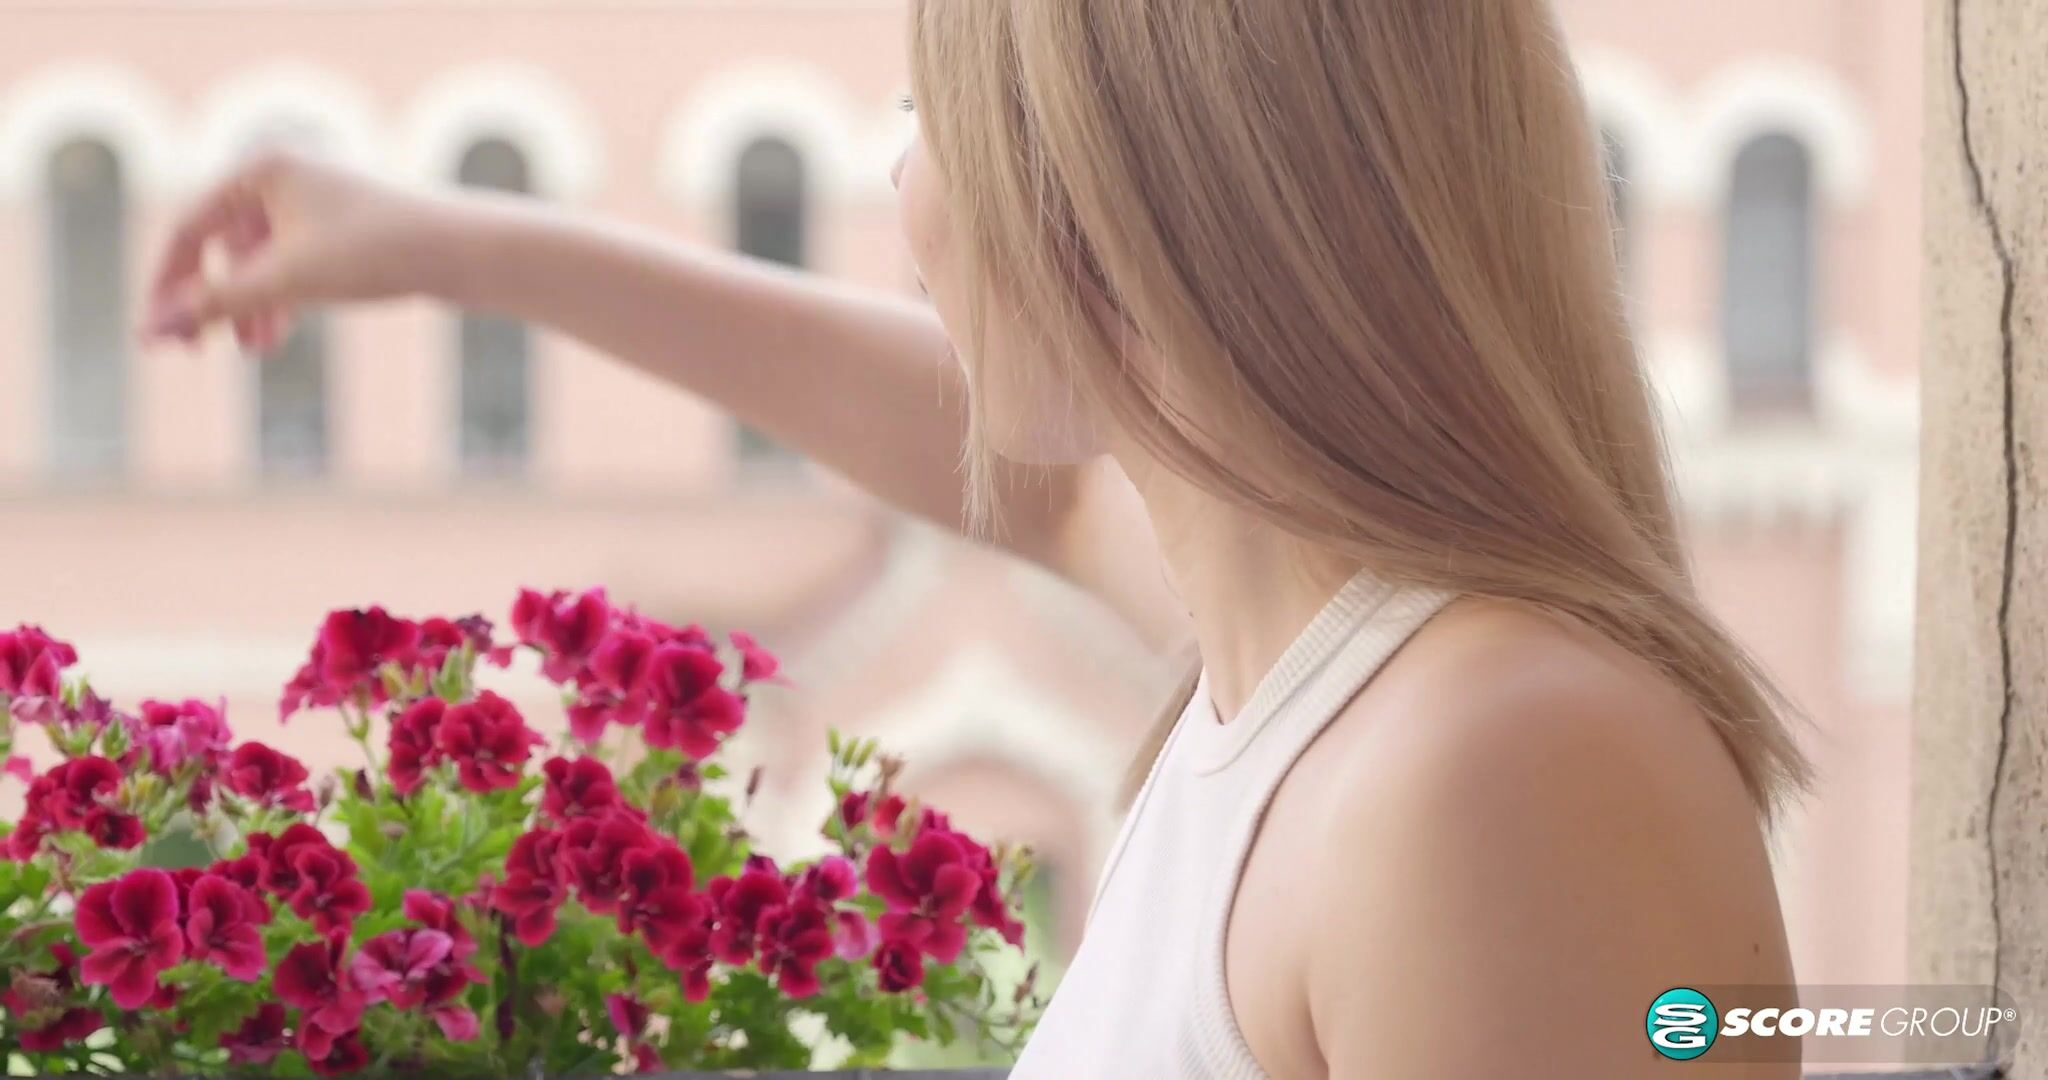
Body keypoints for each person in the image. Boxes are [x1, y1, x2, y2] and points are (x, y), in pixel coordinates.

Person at [140, 2, 1808, 1076]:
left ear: (1136, 194)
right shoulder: (1323, 681)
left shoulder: (1491, 773)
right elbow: (1034, 483)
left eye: (928, 103)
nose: (901, 179)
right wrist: (447, 247)